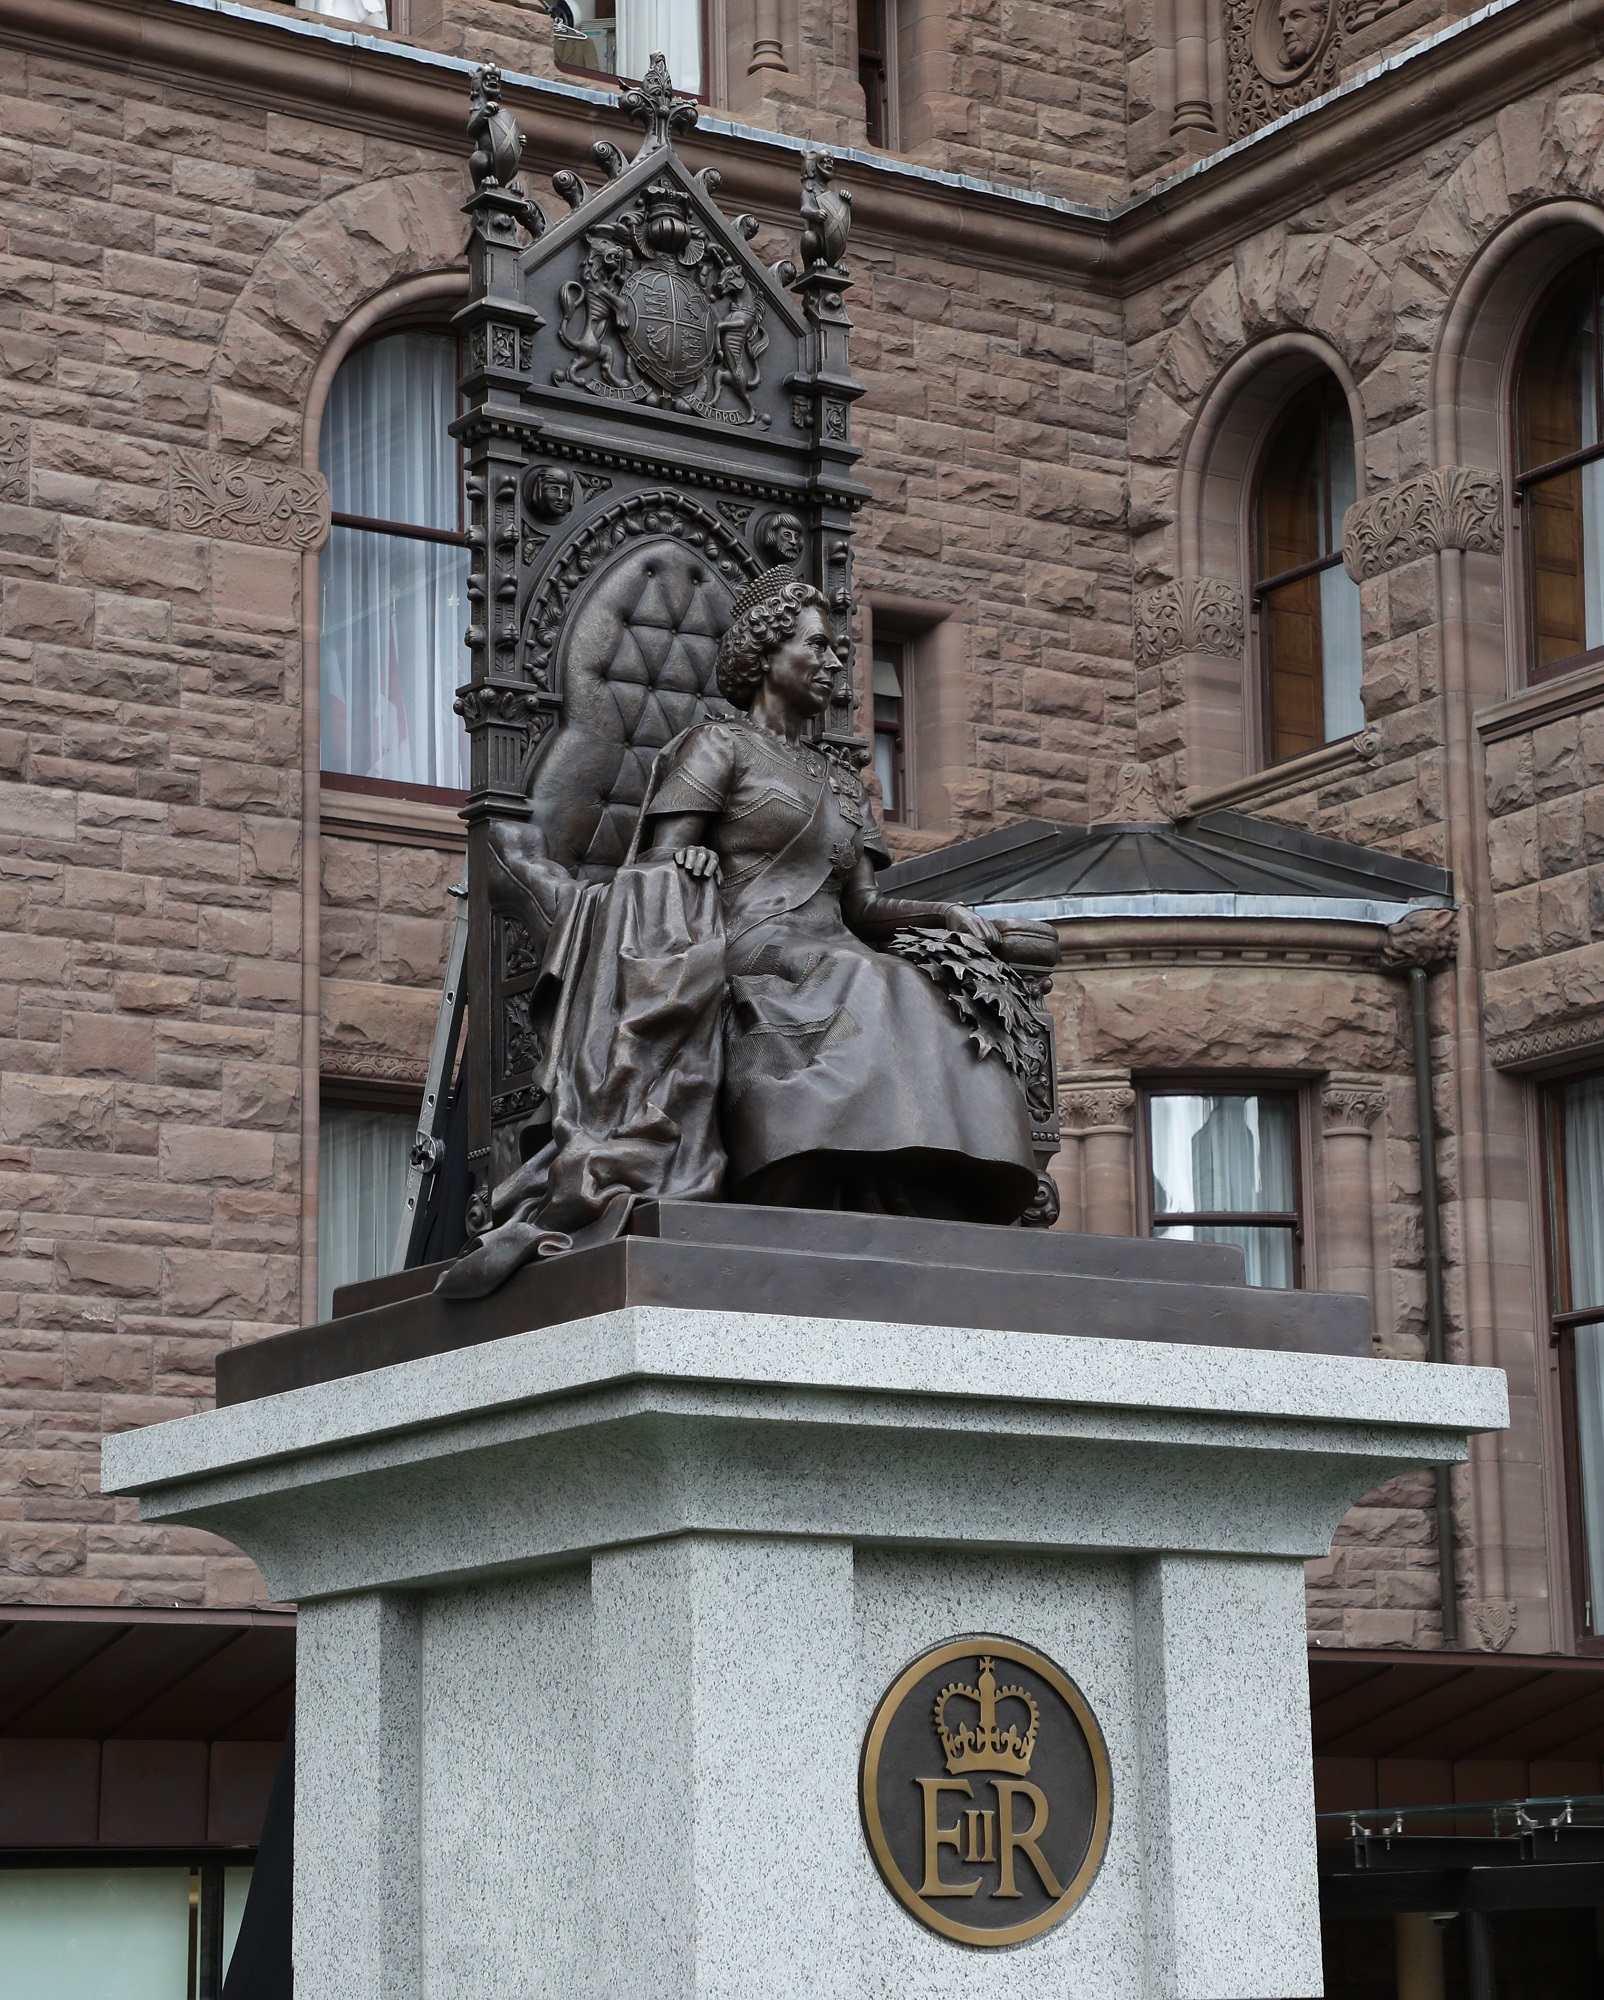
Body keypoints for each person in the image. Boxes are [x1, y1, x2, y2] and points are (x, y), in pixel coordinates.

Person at [440, 569, 1056, 1297]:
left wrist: (943, 917)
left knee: (911, 979)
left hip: (832, 939)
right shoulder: (717, 747)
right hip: (744, 937)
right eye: (817, 647)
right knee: (866, 978)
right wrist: (687, 856)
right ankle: (806, 1175)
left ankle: (904, 1191)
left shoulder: (844, 783)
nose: (834, 664)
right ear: (767, 653)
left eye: (837, 653)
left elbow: (863, 906)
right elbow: (657, 862)